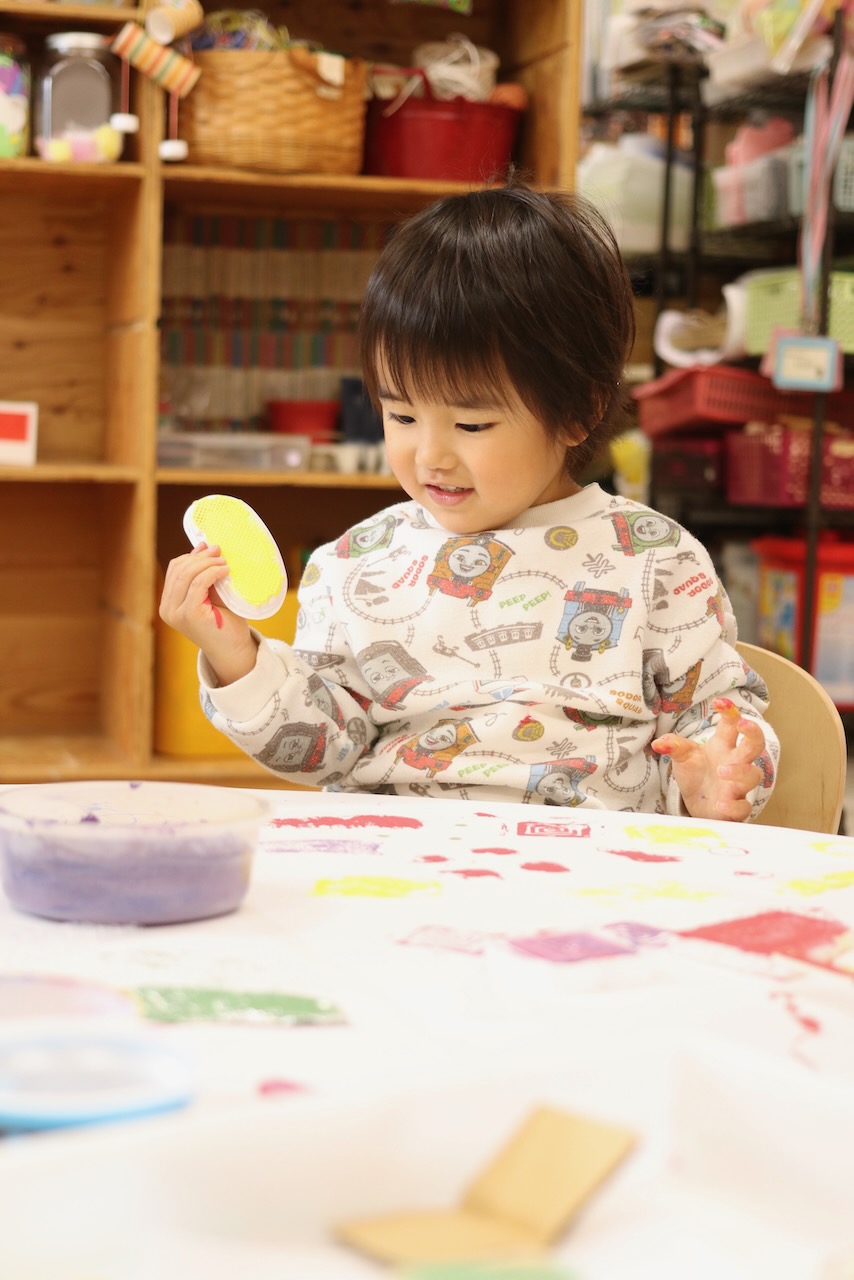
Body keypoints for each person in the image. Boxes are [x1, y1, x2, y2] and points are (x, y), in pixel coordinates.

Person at [159, 181, 778, 820]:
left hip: (592, 860)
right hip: (395, 853)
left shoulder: (654, 558)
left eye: (471, 424)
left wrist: (719, 776)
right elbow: (325, 751)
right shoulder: (356, 564)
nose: (431, 455)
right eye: (402, 416)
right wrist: (237, 658)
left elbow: (720, 717)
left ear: (578, 411)